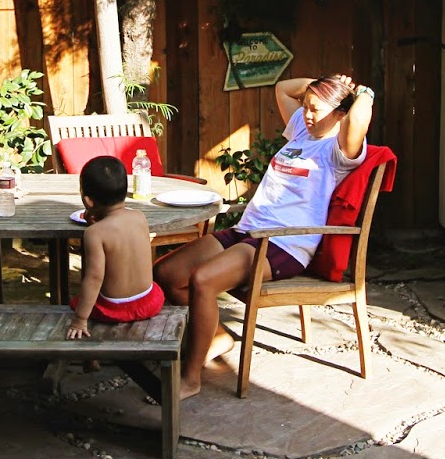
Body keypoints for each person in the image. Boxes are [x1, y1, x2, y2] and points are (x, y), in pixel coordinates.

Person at [154, 73, 373, 397]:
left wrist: (361, 91)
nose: (307, 114)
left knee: (203, 280)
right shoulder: (302, 130)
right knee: (167, 274)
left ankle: (191, 378)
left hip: (284, 242)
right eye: (306, 106)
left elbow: (358, 118)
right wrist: (320, 85)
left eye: (315, 109)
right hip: (249, 228)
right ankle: (216, 337)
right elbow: (283, 88)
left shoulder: (338, 150)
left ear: (340, 114)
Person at [66, 155, 164, 339]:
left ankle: (85, 332)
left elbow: (94, 278)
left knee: (78, 300)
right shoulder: (139, 216)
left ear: (88, 201)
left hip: (116, 309)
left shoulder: (94, 233)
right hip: (149, 302)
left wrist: (80, 319)